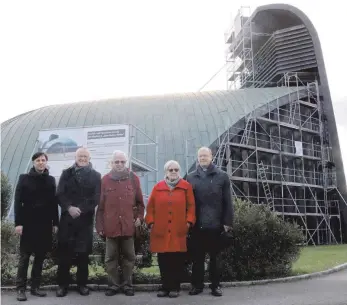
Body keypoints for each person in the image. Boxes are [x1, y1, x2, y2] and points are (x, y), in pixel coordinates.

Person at [95, 150, 144, 297]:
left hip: (128, 227)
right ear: (112, 163)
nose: (119, 164)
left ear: (126, 163)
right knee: (110, 258)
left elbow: (141, 204)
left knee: (129, 258)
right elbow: (100, 207)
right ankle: (113, 286)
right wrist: (100, 226)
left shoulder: (134, 179)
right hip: (111, 228)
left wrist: (139, 219)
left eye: (122, 161)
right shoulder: (105, 180)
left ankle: (128, 286)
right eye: (117, 161)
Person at [187, 147, 234, 297]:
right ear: (197, 158)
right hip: (196, 226)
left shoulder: (222, 176)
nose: (203, 158)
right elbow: (187, 203)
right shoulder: (190, 177)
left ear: (211, 157)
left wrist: (227, 223)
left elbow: (228, 202)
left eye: (205, 155)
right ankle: (197, 286)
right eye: (200, 156)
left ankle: (216, 286)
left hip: (216, 226)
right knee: (197, 259)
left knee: (215, 259)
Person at [145, 160, 196, 298]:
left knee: (177, 260)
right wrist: (151, 223)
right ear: (165, 172)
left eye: (176, 170)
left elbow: (191, 207)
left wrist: (188, 223)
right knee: (163, 260)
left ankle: (175, 287)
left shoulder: (186, 187)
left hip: (178, 230)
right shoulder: (157, 187)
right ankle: (165, 287)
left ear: (179, 172)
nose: (173, 172)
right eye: (170, 170)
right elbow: (150, 208)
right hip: (160, 230)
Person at [56, 148, 101, 297]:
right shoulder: (66, 173)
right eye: (80, 156)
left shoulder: (96, 176)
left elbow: (96, 197)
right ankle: (62, 285)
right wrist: (69, 208)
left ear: (89, 158)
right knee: (65, 255)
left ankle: (82, 285)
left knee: (83, 255)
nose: (82, 158)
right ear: (75, 157)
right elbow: (60, 193)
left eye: (85, 156)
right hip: (67, 221)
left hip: (84, 221)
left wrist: (80, 209)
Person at [14, 152, 59, 302]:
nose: (41, 162)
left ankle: (35, 287)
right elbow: (17, 202)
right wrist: (18, 223)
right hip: (28, 224)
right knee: (25, 257)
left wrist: (56, 223)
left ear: (46, 162)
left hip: (45, 224)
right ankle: (21, 289)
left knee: (40, 257)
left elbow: (54, 203)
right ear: (33, 162)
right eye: (38, 160)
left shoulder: (51, 180)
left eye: (43, 160)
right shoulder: (24, 178)